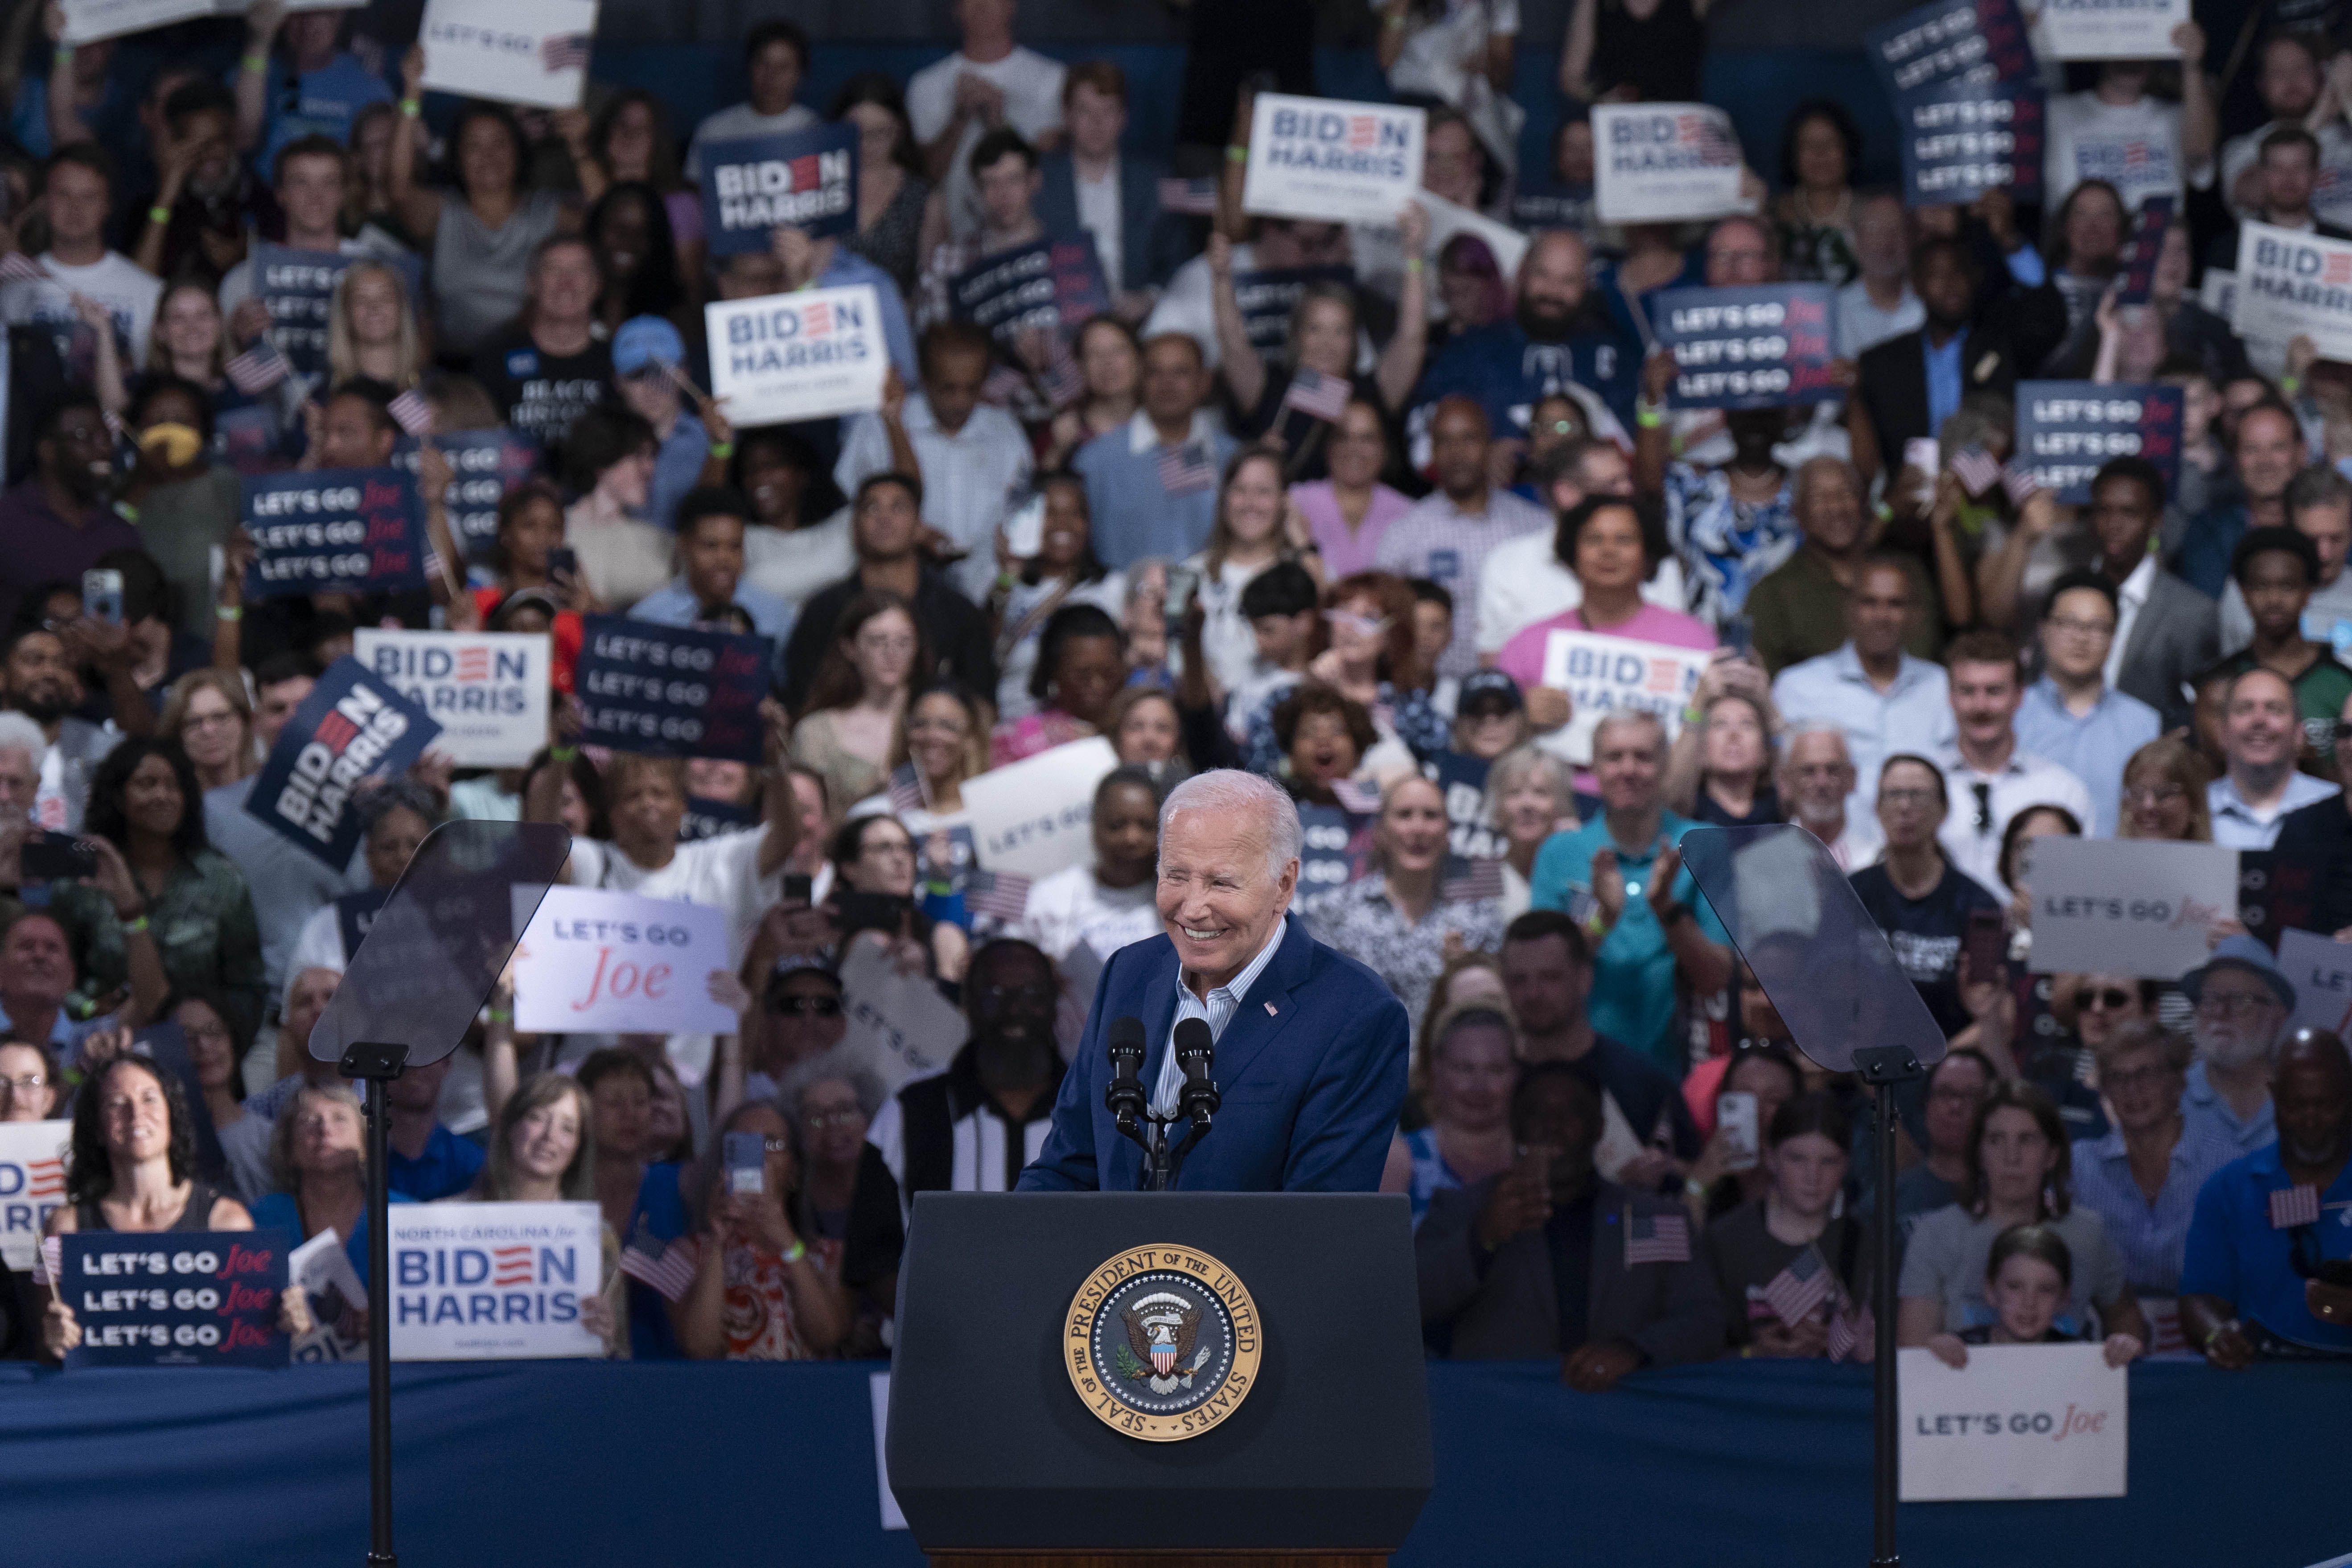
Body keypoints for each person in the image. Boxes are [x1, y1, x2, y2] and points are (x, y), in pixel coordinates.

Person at [1019, 770, 1410, 1192]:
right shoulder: (1128, 973)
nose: (1192, 909)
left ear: (1284, 884)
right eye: (1176, 876)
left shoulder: (1358, 1015)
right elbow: (1066, 1167)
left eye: (1221, 883)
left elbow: (1319, 1218)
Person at [1414, 1060, 1724, 1379]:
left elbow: (1705, 1320)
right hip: (1501, 1407)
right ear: (1515, 1123)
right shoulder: (1463, 1209)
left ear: (1599, 1127)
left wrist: (1637, 1350)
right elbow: (1408, 1305)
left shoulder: (1651, 1218)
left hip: (1620, 1405)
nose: (1553, 1125)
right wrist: (1481, 1239)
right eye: (1537, 1112)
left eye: (1572, 1112)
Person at [40, 1055, 311, 1358]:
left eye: (149, 1099)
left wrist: (288, 1325)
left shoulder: (227, 1221)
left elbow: (251, 1343)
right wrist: (54, 1339)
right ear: (98, 1128)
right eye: (117, 1103)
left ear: (172, 1114)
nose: (136, 1114)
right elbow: (43, 1342)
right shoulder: (65, 1228)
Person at [1526, 713, 1734, 1076]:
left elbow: (1715, 978)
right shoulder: (1560, 853)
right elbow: (1543, 981)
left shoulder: (1704, 846)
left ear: (1666, 765)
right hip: (1578, 1074)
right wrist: (1602, 919)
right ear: (1594, 767)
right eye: (1615, 757)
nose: (1628, 770)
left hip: (1681, 1075)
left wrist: (1667, 910)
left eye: (1643, 757)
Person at [1898, 1080, 2148, 1350]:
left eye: (2027, 1140)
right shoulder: (1935, 1235)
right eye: (1997, 1140)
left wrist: (2123, 1350)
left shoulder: (2087, 1233)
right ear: (1980, 1154)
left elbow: (2126, 1319)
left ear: (2052, 1155)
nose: (2012, 1157)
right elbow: (1914, 1351)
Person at [49, 739, 261, 1043]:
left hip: (200, 1048)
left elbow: (247, 987)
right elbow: (55, 980)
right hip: (102, 1043)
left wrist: (220, 1041)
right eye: (147, 784)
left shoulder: (221, 878)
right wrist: (89, 1009)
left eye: (174, 786)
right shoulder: (84, 879)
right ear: (118, 797)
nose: (162, 796)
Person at [2181, 1029, 2352, 1365]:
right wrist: (2218, 1335)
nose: (2311, 1120)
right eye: (2295, 1105)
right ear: (2274, 1096)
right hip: (2262, 1382)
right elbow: (2200, 1297)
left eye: (2326, 1105)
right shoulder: (2229, 1189)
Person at [1845, 234, 2065, 491]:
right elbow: (1867, 465)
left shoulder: (2006, 346)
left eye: (1958, 272)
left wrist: (2010, 241)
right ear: (1916, 284)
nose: (1950, 284)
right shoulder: (1880, 363)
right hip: (1907, 501)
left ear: (1974, 278)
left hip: (1986, 496)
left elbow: (2047, 319)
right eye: (1937, 275)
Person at [835, 321, 1031, 606]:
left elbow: (1022, 512)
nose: (960, 402)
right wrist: (913, 533)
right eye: (948, 389)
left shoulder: (1005, 431)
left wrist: (1004, 585)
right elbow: (856, 509)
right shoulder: (876, 427)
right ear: (925, 379)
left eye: (972, 389)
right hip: (894, 595)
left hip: (988, 596)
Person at [386, 63, 571, 358]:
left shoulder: (549, 212)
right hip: (452, 367)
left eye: (499, 144)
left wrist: (581, 146)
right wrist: (411, 95)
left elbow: (607, 215)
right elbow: (398, 189)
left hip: (530, 366)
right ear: (457, 158)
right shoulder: (442, 211)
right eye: (474, 147)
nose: (488, 157)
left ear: (518, 151)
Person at [1497, 910, 1698, 1178]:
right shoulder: (1491, 1086)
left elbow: (1700, 1177)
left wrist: (1664, 1173)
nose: (1533, 993)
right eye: (1519, 980)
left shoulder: (1642, 1083)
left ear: (1585, 979)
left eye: (1550, 977)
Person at [1496, 497, 1714, 745]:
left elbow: (1716, 727)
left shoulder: (1694, 640)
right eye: (1594, 539)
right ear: (1572, 554)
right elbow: (1486, 735)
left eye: (1624, 540)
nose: (1608, 551)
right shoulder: (1529, 644)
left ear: (1648, 554)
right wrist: (1521, 718)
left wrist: (1696, 717)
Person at [1304, 774, 1504, 1038]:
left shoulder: (1479, 917)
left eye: (1431, 816)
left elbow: (1496, 1011)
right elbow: (1316, 1004)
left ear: (1448, 832)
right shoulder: (1337, 912)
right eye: (1404, 815)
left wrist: (1465, 970)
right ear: (1380, 832)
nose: (1419, 828)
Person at [780, 474, 997, 715]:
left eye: (899, 508)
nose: (884, 518)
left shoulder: (959, 613)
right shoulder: (822, 611)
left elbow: (982, 707)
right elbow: (803, 701)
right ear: (855, 526)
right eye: (872, 508)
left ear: (919, 526)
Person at [1410, 229, 1641, 456]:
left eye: (1568, 281)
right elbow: (1421, 443)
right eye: (1542, 274)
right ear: (1522, 273)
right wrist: (1482, 456)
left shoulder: (1610, 356)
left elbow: (1632, 446)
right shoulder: (1472, 350)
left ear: (1587, 285)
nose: (1553, 292)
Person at [1374, 397, 1552, 680]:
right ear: (1432, 452)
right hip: (1432, 689)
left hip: (1517, 688)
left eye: (1469, 439)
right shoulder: (1405, 532)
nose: (1457, 453)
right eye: (1445, 441)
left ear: (1489, 445)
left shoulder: (1533, 526)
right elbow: (1380, 614)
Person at [2068, 1019, 2239, 1300]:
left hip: (2209, 1322)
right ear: (2105, 1091)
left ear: (2178, 1082)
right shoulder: (2079, 1166)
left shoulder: (2226, 1166)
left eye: (2146, 1074)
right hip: (2106, 1324)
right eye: (2118, 1078)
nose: (2132, 1089)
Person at [1769, 555, 1953, 806]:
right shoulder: (1798, 686)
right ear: (1849, 609)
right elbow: (1778, 779)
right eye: (1870, 603)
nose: (1882, 616)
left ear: (1914, 615)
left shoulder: (1941, 686)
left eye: (1895, 604)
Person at [674, 1098, 847, 1361]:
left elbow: (826, 1336)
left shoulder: (830, 1255)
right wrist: (718, 1245)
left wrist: (786, 1239)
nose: (759, 1156)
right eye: (744, 1145)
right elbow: (701, 1349)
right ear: (722, 1165)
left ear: (794, 1172)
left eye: (772, 1144)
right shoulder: (687, 1253)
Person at [1698, 1093, 1866, 1357]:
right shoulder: (1724, 1241)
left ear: (1846, 1165)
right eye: (1797, 1159)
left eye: (1828, 1161)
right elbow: (1698, 1348)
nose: (1813, 1177)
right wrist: (1753, 1352)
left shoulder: (1866, 1244)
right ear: (1771, 1158)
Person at [1850, 754, 2004, 1038]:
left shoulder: (1978, 905)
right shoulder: (1849, 894)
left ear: (1943, 810)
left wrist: (1943, 1060)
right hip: (1861, 1053)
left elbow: (1991, 1008)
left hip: (1952, 1053)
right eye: (1893, 795)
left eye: (1918, 795)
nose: (1904, 806)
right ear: (1878, 809)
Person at [1933, 631, 2094, 894]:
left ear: (2019, 696)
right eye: (1968, 691)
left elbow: (2081, 889)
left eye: (1995, 691)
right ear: (1951, 697)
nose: (1981, 706)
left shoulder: (2063, 791)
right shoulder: (1922, 786)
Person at [2013, 571, 2162, 836]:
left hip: (2116, 861)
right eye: (2069, 624)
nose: (2081, 638)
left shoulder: (2144, 724)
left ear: (2114, 636)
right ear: (2043, 629)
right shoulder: (2013, 713)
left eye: (2097, 627)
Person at [1071, 332, 1235, 571]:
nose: (1167, 385)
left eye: (1181, 372)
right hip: (1121, 592)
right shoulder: (1093, 461)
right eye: (1154, 372)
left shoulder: (1232, 457)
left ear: (1204, 381)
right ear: (1140, 380)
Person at [905, 0, 1068, 240]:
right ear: (956, 8)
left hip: (1033, 240)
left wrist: (998, 123)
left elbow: (1055, 173)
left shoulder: (1053, 80)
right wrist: (960, 117)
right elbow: (922, 180)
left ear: (1012, 5)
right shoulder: (926, 86)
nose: (983, 5)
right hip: (951, 241)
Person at [1035, 62, 1182, 316]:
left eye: (1109, 111)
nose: (1097, 123)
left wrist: (1148, 299)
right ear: (1067, 117)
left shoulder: (1154, 181)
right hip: (1060, 317)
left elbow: (1177, 258)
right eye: (1085, 111)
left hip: (1138, 318)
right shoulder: (1039, 180)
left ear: (1124, 118)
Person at [0, 147, 164, 371]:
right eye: (63, 195)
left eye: (89, 197)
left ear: (108, 205)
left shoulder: (150, 291)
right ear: (44, 202)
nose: (75, 208)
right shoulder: (13, 285)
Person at [2210, 527, 2352, 766]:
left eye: (2288, 587)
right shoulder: (2219, 685)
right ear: (2243, 592)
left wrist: (2311, 764)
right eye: (2261, 586)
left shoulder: (2344, 684)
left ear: (2309, 591)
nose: (2274, 600)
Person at [249, 1081, 413, 1285]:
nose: (325, 1129)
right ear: (288, 1148)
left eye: (340, 1119)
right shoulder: (261, 1220)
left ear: (365, 1143)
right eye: (309, 1121)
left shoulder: (404, 1216)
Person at [0, 398, 140, 636]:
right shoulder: (7, 521)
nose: (103, 449)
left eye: (106, 437)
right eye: (85, 437)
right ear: (48, 450)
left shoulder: (122, 533)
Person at [1923, 1224, 2145, 1367]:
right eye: (2015, 1287)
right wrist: (1932, 1354)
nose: (2029, 1303)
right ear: (1991, 1292)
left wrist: (2125, 1351)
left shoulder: (2082, 1356)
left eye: (2045, 1290)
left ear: (2064, 1298)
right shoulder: (1963, 1348)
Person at [469, 235, 613, 452]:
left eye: (579, 271)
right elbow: (476, 440)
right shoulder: (494, 358)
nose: (566, 283)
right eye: (553, 270)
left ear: (597, 285)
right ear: (532, 283)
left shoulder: (617, 361)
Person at [627, 488, 796, 668]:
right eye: (711, 546)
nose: (724, 559)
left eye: (735, 546)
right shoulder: (649, 617)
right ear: (683, 545)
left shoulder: (774, 614)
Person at [1017, 766, 1164, 971]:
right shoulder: (1048, 897)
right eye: (1117, 825)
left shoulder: (1178, 903)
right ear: (1095, 826)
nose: (1131, 839)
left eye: (1146, 826)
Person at [789, 591, 922, 814]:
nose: (892, 653)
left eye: (903, 642)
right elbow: (806, 816)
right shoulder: (816, 733)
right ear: (850, 648)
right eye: (877, 641)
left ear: (917, 648)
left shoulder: (936, 721)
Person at [1398, 1002, 1519, 1224]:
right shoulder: (1399, 1164)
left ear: (1516, 1073)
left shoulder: (1536, 1163)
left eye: (1495, 1070)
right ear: (1436, 1070)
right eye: (1464, 1069)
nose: (1479, 1087)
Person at [2180, 936, 2296, 1156]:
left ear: (2278, 1016)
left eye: (2240, 1000)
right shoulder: (2168, 1098)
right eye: (2210, 999)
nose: (2220, 1012)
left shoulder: (2311, 1103)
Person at [2176, 402, 2302, 600]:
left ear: (2302, 452)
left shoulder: (2326, 530)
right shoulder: (2209, 531)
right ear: (2235, 457)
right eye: (2251, 449)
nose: (2265, 461)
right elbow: (2203, 609)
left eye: (2278, 447)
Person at [826, 813, 969, 983]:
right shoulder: (830, 928)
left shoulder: (934, 932)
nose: (899, 858)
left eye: (906, 848)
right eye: (884, 848)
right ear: (850, 868)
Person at [2208, 667, 2340, 850]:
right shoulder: (2194, 808)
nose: (2259, 720)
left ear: (2299, 734)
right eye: (2244, 709)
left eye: (2275, 710)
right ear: (2224, 733)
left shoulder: (2340, 809)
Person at [1880, 1047, 1993, 1258]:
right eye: (1945, 1093)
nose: (1956, 1106)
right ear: (1926, 1104)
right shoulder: (1886, 1201)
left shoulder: (2010, 1197)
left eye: (1971, 1096)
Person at [559, 406, 671, 614]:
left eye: (652, 457)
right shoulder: (555, 530)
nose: (650, 469)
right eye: (639, 456)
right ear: (603, 457)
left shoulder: (659, 541)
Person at [1288, 398, 1413, 581]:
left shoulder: (1408, 512)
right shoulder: (1296, 501)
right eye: (1344, 437)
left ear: (1384, 449)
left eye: (1367, 439)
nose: (1354, 448)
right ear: (1329, 446)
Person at [991, 603, 1125, 766]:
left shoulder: (1138, 733)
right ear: (1053, 670)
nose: (1097, 685)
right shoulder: (1015, 743)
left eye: (1108, 674)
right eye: (1082, 675)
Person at [683, 20, 818, 177]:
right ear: (749, 67)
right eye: (763, 64)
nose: (771, 76)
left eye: (783, 67)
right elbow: (694, 187)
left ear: (800, 75)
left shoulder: (815, 129)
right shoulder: (714, 131)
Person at [1484, 744, 1577, 918]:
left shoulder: (1578, 871)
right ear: (1498, 808)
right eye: (1514, 793)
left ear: (1561, 805)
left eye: (1540, 793)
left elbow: (1591, 929)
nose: (1527, 804)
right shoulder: (1484, 876)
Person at [1835, 193, 1921, 356]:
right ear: (1856, 242)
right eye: (1875, 230)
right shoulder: (1834, 311)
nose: (1886, 242)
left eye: (1896, 230)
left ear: (1911, 240)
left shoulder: (1928, 305)